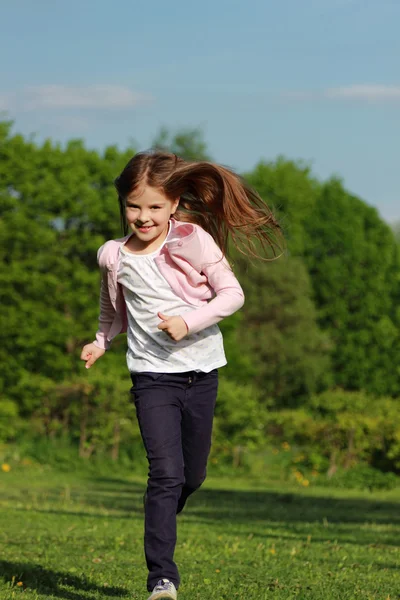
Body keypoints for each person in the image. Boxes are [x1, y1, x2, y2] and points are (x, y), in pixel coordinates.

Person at [80, 151, 282, 600]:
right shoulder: (113, 255)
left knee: (192, 478)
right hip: (152, 377)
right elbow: (112, 308)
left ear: (173, 204)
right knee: (165, 475)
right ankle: (162, 579)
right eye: (134, 206)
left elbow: (232, 295)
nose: (143, 216)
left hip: (202, 372)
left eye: (154, 206)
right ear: (123, 204)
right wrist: (101, 340)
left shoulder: (193, 239)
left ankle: (164, 514)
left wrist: (188, 322)